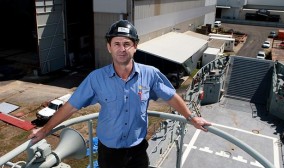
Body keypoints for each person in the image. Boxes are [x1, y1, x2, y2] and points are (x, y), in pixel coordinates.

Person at [28, 20, 211, 168]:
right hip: (109, 152)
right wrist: (45, 130)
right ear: (109, 47)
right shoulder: (96, 78)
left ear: (135, 46)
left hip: (138, 149)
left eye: (127, 44)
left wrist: (191, 118)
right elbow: (70, 106)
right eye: (116, 44)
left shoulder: (150, 74)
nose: (121, 49)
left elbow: (172, 96)